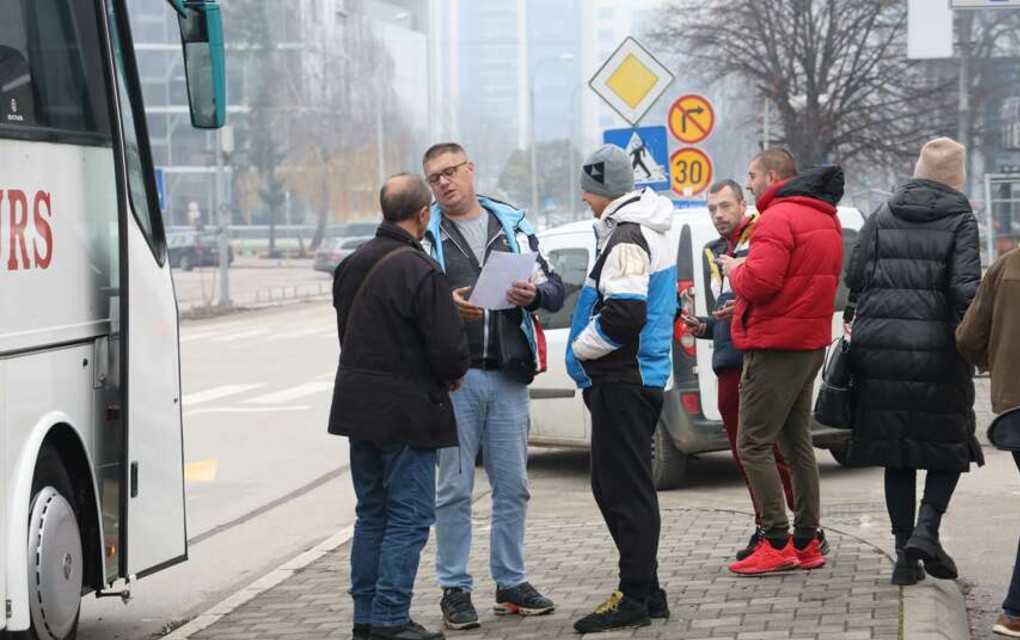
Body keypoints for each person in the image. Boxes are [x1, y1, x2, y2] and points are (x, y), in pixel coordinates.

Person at [421, 142, 564, 631]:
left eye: (451, 171)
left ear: (470, 169)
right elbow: (414, 295)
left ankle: (510, 582)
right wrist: (445, 302)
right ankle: (454, 589)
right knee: (453, 490)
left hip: (507, 375)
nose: (444, 183)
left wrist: (533, 295)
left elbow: (554, 286)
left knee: (513, 487)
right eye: (435, 177)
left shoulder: (514, 228)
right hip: (455, 379)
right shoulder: (426, 235)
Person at [327, 173, 471, 640]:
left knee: (372, 514)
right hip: (407, 412)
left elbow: (351, 333)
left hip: (357, 406)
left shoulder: (350, 264)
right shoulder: (421, 269)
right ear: (423, 214)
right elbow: (448, 350)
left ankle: (365, 619)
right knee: (409, 517)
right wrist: (451, 373)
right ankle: (390, 619)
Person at [845, 137, 982, 586]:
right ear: (955, 177)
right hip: (936, 351)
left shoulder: (883, 213)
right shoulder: (961, 219)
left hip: (877, 348)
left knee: (896, 453)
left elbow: (856, 275)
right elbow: (966, 291)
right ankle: (927, 530)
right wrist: (978, 344)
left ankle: (906, 557)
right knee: (950, 443)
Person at [565, 144, 674, 633]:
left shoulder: (627, 236)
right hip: (632, 378)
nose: (584, 198)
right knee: (614, 486)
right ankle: (647, 591)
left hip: (623, 378)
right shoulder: (636, 228)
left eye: (586, 188)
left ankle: (634, 596)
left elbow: (625, 314)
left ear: (597, 188)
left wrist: (584, 349)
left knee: (624, 491)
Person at [721, 149, 843, 575]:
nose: (749, 183)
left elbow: (761, 280)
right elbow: (798, 283)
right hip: (808, 342)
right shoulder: (825, 217)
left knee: (752, 443)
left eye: (752, 175)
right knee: (797, 443)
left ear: (773, 175)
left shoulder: (776, 218)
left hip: (774, 346)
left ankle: (775, 541)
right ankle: (807, 540)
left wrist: (735, 270)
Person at [683, 179, 803, 561]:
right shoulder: (716, 251)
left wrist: (739, 313)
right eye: (712, 209)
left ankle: (801, 532)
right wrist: (703, 326)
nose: (719, 215)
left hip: (758, 359)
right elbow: (728, 312)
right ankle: (768, 527)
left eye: (725, 206)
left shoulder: (761, 236)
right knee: (745, 452)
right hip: (728, 359)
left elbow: (770, 294)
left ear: (742, 204)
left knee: (768, 452)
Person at [956, 245, 1020, 637]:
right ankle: (1014, 611)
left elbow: (967, 337)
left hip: (1015, 410)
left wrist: (998, 363)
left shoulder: (1008, 265)